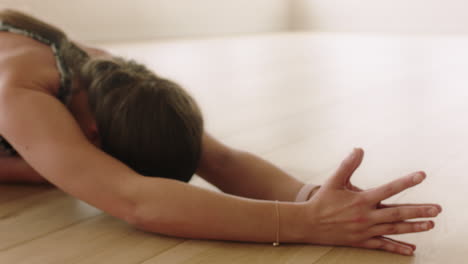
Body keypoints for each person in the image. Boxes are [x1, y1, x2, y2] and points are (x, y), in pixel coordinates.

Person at [0, 9, 441, 256]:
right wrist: (307, 224)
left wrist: (313, 196)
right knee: (50, 170)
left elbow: (220, 159)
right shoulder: (21, 91)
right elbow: (133, 198)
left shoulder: (107, 74)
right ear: (95, 136)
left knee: (50, 168)